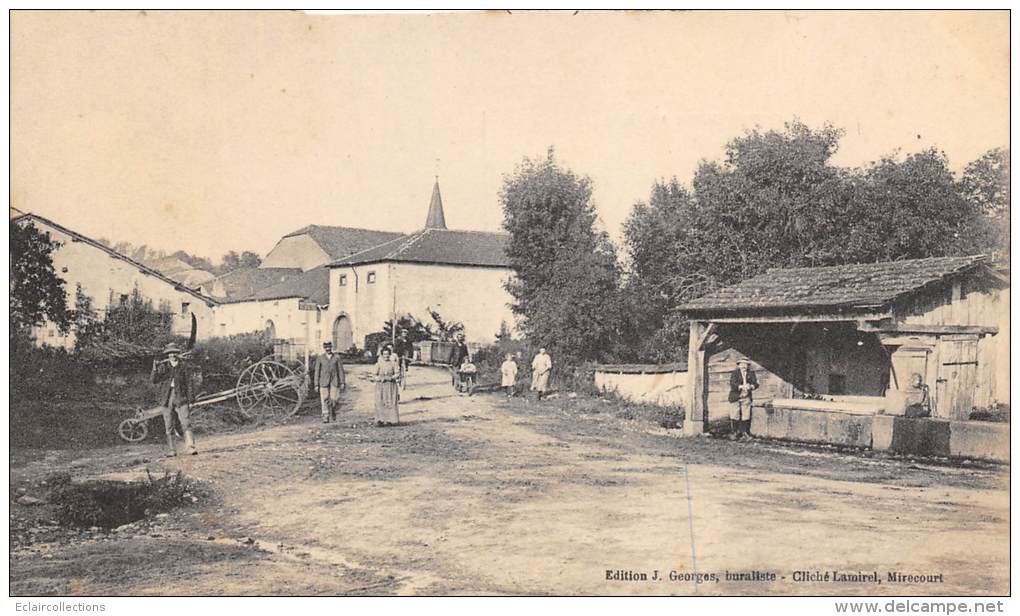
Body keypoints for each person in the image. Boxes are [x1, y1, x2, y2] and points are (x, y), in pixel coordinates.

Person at [151, 343, 197, 456]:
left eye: (174, 353)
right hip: (166, 399)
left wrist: (191, 400)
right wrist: (154, 368)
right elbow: (154, 380)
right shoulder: (163, 367)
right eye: (170, 353)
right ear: (167, 355)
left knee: (186, 422)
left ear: (178, 354)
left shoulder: (184, 366)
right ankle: (172, 450)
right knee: (169, 425)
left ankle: (191, 447)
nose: (172, 355)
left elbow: (189, 383)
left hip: (181, 397)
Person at [313, 341, 346, 423]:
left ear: (331, 347)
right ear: (324, 348)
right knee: (324, 399)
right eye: (326, 347)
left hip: (334, 381)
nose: (328, 349)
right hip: (323, 381)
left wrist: (342, 382)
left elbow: (340, 370)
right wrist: (316, 384)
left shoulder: (336, 357)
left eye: (329, 347)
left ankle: (333, 410)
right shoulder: (320, 358)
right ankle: (325, 416)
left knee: (334, 398)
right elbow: (317, 371)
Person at [727, 358, 758, 439]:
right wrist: (741, 387)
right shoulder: (735, 373)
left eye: (746, 364)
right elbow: (733, 384)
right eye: (742, 364)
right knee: (735, 414)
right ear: (739, 365)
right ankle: (735, 432)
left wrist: (751, 386)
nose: (744, 366)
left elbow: (756, 383)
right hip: (736, 396)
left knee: (746, 415)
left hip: (746, 397)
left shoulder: (751, 373)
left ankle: (745, 433)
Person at [373, 345, 400, 426]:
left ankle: (391, 420)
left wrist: (391, 378)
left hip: (391, 385)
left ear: (390, 354)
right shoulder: (378, 364)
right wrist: (379, 378)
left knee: (390, 401)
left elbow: (397, 374)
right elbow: (374, 375)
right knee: (380, 401)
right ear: (382, 355)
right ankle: (380, 420)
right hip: (380, 386)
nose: (386, 356)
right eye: (384, 354)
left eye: (387, 354)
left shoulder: (393, 363)